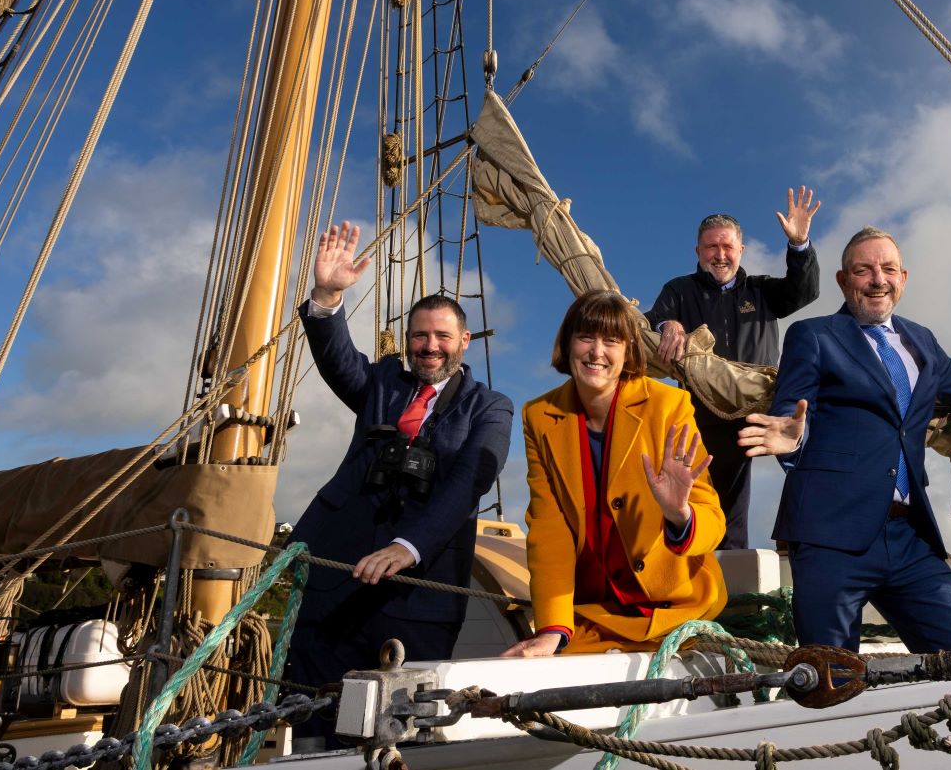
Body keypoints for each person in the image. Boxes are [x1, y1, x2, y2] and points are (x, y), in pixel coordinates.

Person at [287, 222, 513, 727]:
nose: (430, 346)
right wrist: (327, 296)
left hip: (419, 595)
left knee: (401, 726)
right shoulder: (383, 381)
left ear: (464, 341)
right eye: (420, 336)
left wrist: (408, 546)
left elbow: (471, 481)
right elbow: (337, 361)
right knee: (314, 717)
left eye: (442, 336)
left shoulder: (490, 407)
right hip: (336, 578)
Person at [737, 226, 951, 653]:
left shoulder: (923, 341)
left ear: (903, 278)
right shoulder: (813, 335)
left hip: (910, 536)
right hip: (830, 536)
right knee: (832, 676)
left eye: (888, 269)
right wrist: (794, 437)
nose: (878, 280)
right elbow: (792, 407)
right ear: (843, 280)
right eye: (863, 270)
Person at [503, 290, 726, 656]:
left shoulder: (669, 405)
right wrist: (552, 629)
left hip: (675, 610)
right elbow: (549, 529)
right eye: (585, 337)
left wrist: (680, 515)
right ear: (567, 344)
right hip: (595, 614)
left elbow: (714, 523)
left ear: (628, 351)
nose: (597, 352)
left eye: (611, 341)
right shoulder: (538, 416)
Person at [646, 187, 821, 549]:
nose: (720, 254)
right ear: (698, 252)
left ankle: (805, 547)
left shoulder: (761, 290)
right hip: (707, 411)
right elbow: (652, 320)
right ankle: (722, 568)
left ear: (741, 250)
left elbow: (803, 291)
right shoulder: (679, 290)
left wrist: (799, 245)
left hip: (765, 403)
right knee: (721, 498)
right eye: (711, 247)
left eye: (727, 246)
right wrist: (669, 324)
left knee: (810, 466)